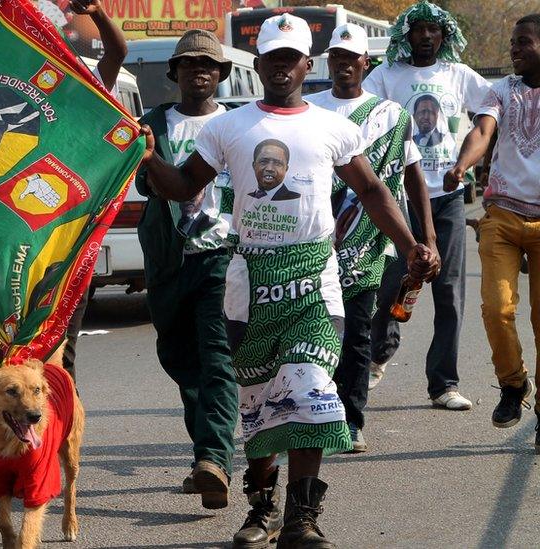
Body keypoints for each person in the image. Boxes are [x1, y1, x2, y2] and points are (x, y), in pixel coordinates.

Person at [140, 14, 438, 547]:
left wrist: (413, 242)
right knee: (257, 402)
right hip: (248, 278)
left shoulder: (333, 128)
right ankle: (261, 509)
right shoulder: (227, 127)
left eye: (290, 58)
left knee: (312, 390)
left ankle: (302, 517)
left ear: (307, 65)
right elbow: (184, 185)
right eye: (272, 59)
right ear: (258, 66)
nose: (281, 67)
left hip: (314, 277)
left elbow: (371, 191)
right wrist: (145, 155)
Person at [0, 0, 126, 378]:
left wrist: (98, 13)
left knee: (58, 361)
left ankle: (60, 437)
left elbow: (118, 52)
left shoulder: (80, 88)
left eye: (42, 36)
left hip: (61, 250)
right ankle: (7, 437)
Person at [306, 23, 437, 454]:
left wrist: (426, 237)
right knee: (318, 333)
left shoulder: (390, 116)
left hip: (368, 242)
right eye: (336, 58)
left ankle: (351, 420)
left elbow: (413, 175)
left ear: (366, 63)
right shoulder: (309, 110)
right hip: (315, 241)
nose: (343, 65)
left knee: (358, 333)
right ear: (328, 62)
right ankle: (316, 415)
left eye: (351, 58)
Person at [362, 0, 490, 409]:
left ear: (445, 36)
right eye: (419, 29)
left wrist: (469, 161)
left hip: (448, 197)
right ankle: (378, 354)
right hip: (399, 198)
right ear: (407, 35)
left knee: (449, 291)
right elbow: (363, 118)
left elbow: (492, 109)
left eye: (434, 30)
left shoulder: (458, 75)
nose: (427, 36)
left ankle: (444, 384)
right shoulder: (387, 75)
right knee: (390, 282)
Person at [134, 29, 239, 513]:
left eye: (208, 65)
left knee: (218, 358)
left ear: (221, 75)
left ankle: (214, 458)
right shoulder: (150, 124)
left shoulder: (240, 125)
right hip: (169, 260)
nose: (199, 71)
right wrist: (146, 152)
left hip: (224, 257)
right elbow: (140, 182)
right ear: (174, 74)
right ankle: (207, 457)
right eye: (190, 64)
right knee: (180, 360)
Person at [446, 14, 540, 450]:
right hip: (501, 215)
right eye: (512, 42)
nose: (513, 49)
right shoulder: (500, 90)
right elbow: (483, 130)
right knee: (496, 307)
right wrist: (463, 165)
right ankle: (513, 384)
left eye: (523, 42)